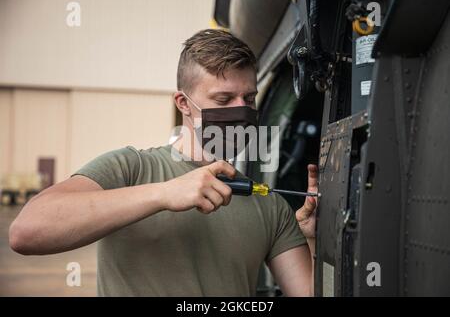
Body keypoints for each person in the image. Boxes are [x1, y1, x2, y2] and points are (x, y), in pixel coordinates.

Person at [9, 29, 318, 296]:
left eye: (248, 99)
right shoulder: (131, 168)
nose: (242, 111)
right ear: (183, 103)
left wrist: (313, 241)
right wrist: (164, 193)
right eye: (223, 101)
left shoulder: (266, 202)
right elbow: (26, 231)